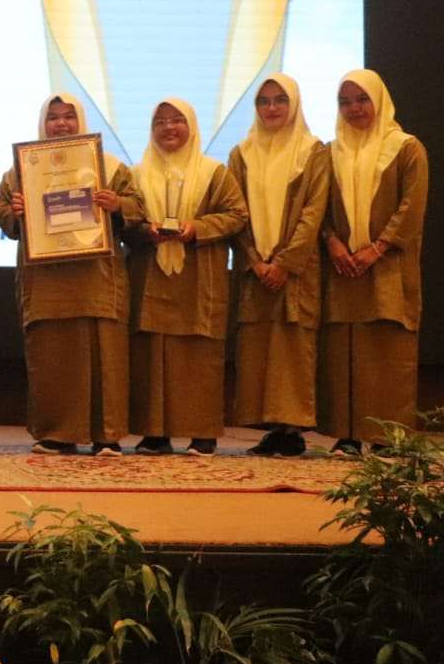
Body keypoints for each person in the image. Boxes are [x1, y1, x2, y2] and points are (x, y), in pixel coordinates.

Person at [0, 92, 143, 456]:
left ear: (81, 121)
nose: (61, 124)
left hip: (97, 280)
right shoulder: (22, 170)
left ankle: (106, 435)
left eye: (68, 116)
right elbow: (1, 211)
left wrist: (117, 204)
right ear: (43, 123)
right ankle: (55, 434)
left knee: (103, 355)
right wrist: (16, 210)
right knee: (52, 357)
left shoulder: (110, 167)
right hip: (45, 282)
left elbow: (138, 208)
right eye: (53, 117)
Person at [126, 99, 247, 455]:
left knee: (198, 355)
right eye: (160, 122)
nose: (169, 128)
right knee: (153, 355)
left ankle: (202, 433)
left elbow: (237, 215)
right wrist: (145, 231)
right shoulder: (136, 175)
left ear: (191, 126)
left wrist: (197, 228)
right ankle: (155, 434)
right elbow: (125, 224)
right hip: (150, 275)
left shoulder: (214, 172)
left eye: (177, 120)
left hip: (199, 275)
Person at [318, 69, 428, 455]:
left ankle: (388, 438)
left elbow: (411, 209)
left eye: (362, 99)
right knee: (345, 352)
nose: (354, 108)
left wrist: (377, 248)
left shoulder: (406, 148)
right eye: (345, 101)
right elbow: (319, 206)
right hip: (343, 267)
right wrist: (332, 242)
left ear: (379, 100)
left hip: (389, 269)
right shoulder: (330, 152)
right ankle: (347, 435)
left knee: (387, 352)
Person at [227, 74, 329, 457]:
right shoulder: (242, 154)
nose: (271, 108)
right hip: (256, 270)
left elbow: (314, 212)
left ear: (294, 104)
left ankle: (293, 430)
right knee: (259, 349)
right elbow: (236, 211)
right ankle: (273, 429)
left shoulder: (313, 151)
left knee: (292, 346)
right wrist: (255, 261)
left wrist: (284, 263)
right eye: (263, 101)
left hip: (296, 269)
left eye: (280, 100)